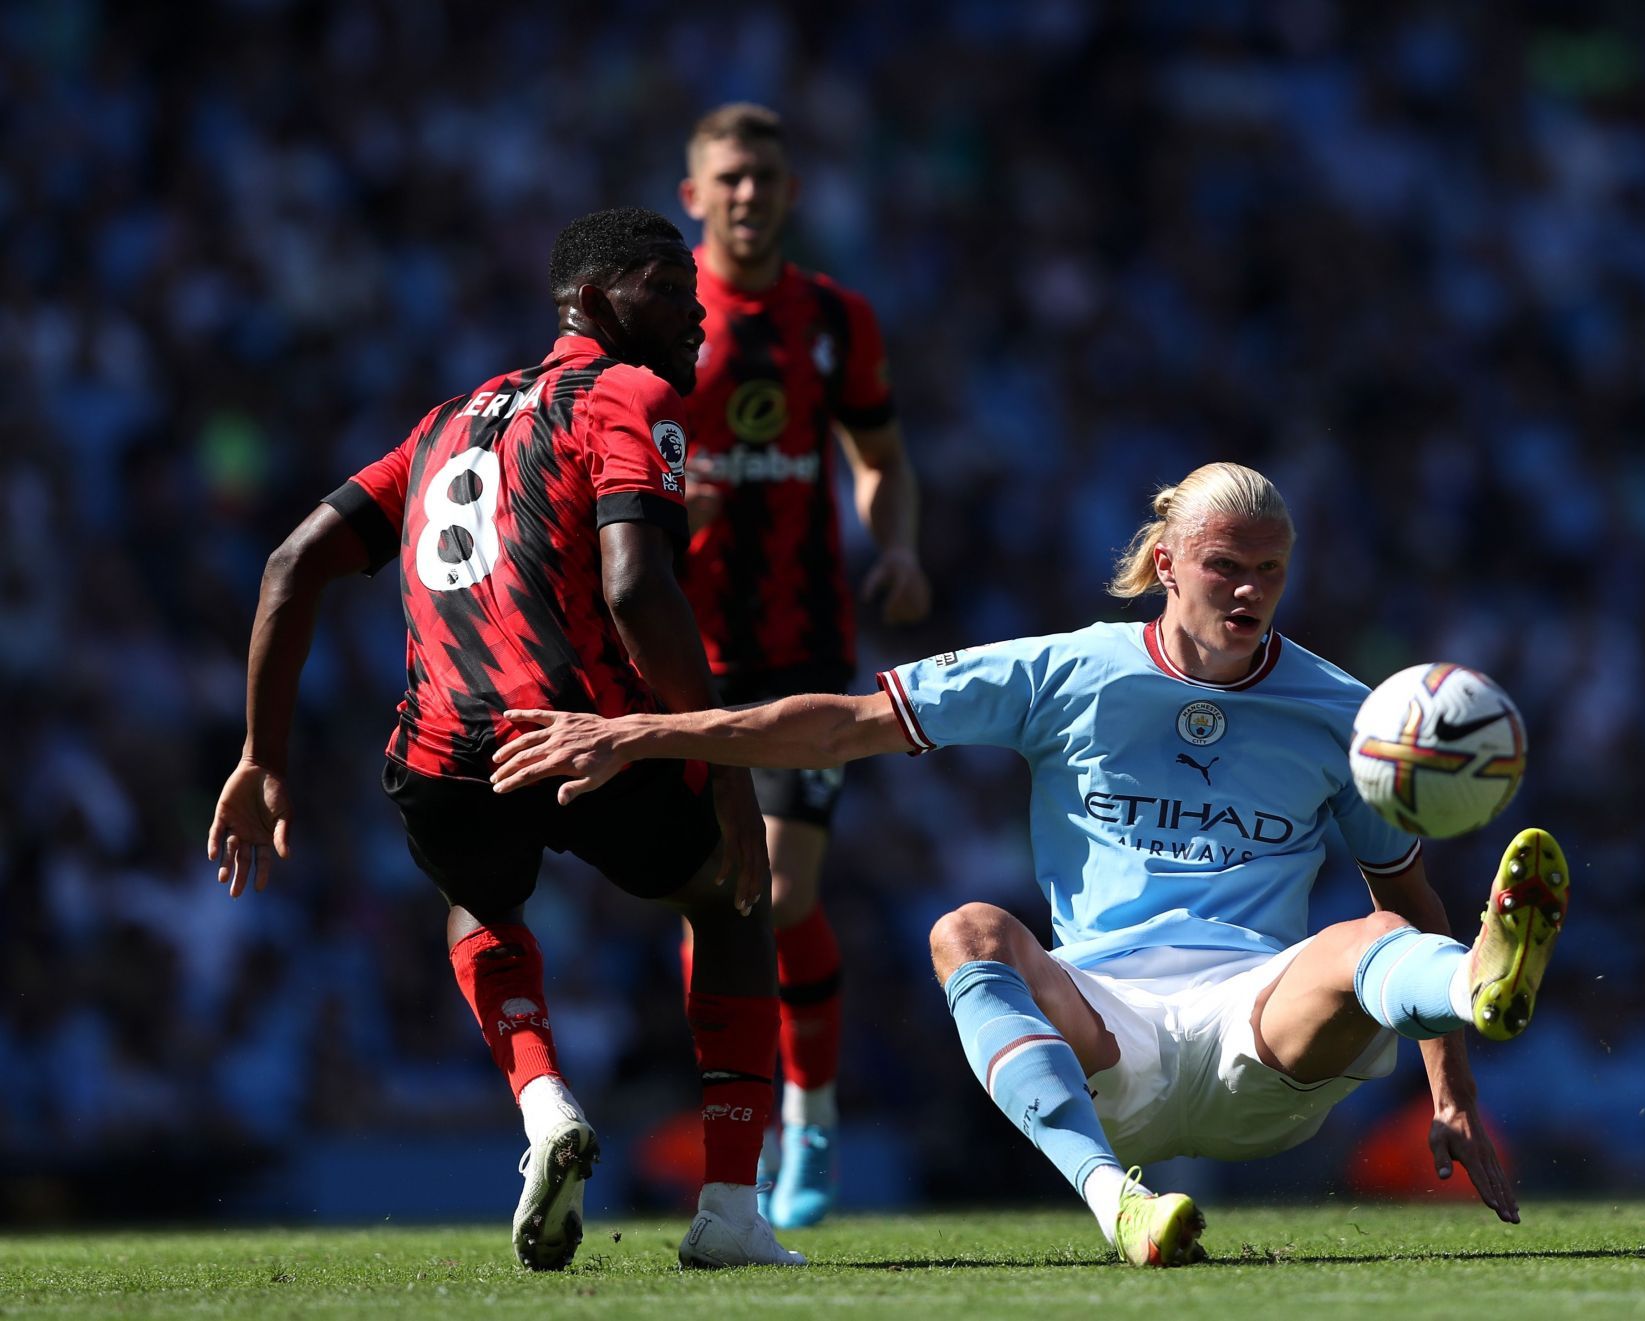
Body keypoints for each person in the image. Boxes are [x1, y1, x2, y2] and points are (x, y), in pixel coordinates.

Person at [488, 461, 1571, 1266]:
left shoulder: (1347, 713)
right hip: (1104, 1026)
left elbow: (1401, 891)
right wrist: (641, 733)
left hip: (1261, 1027)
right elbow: (842, 724)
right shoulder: (1066, 672)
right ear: (1163, 565)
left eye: (1269, 574)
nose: (1248, 593)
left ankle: (1480, 981)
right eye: (1224, 568)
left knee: (1378, 939)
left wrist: (1451, 1090)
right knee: (966, 928)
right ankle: (1118, 1201)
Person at [206, 207, 808, 1271]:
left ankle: (542, 1108)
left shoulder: (443, 422)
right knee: (732, 898)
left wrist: (262, 756)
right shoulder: (632, 393)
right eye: (665, 286)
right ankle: (729, 1208)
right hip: (588, 737)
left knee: (479, 905)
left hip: (444, 752)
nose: (696, 311)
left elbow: (290, 565)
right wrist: (718, 761)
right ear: (589, 302)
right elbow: (636, 588)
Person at [674, 101, 932, 1228]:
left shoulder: (833, 318)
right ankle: (742, 1123)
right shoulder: (655, 309)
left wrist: (902, 543)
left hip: (803, 646)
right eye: (728, 177)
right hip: (677, 650)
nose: (747, 193)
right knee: (708, 901)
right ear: (694, 194)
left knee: (780, 889)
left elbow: (880, 458)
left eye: (765, 176)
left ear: (790, 192)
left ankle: (808, 1114)